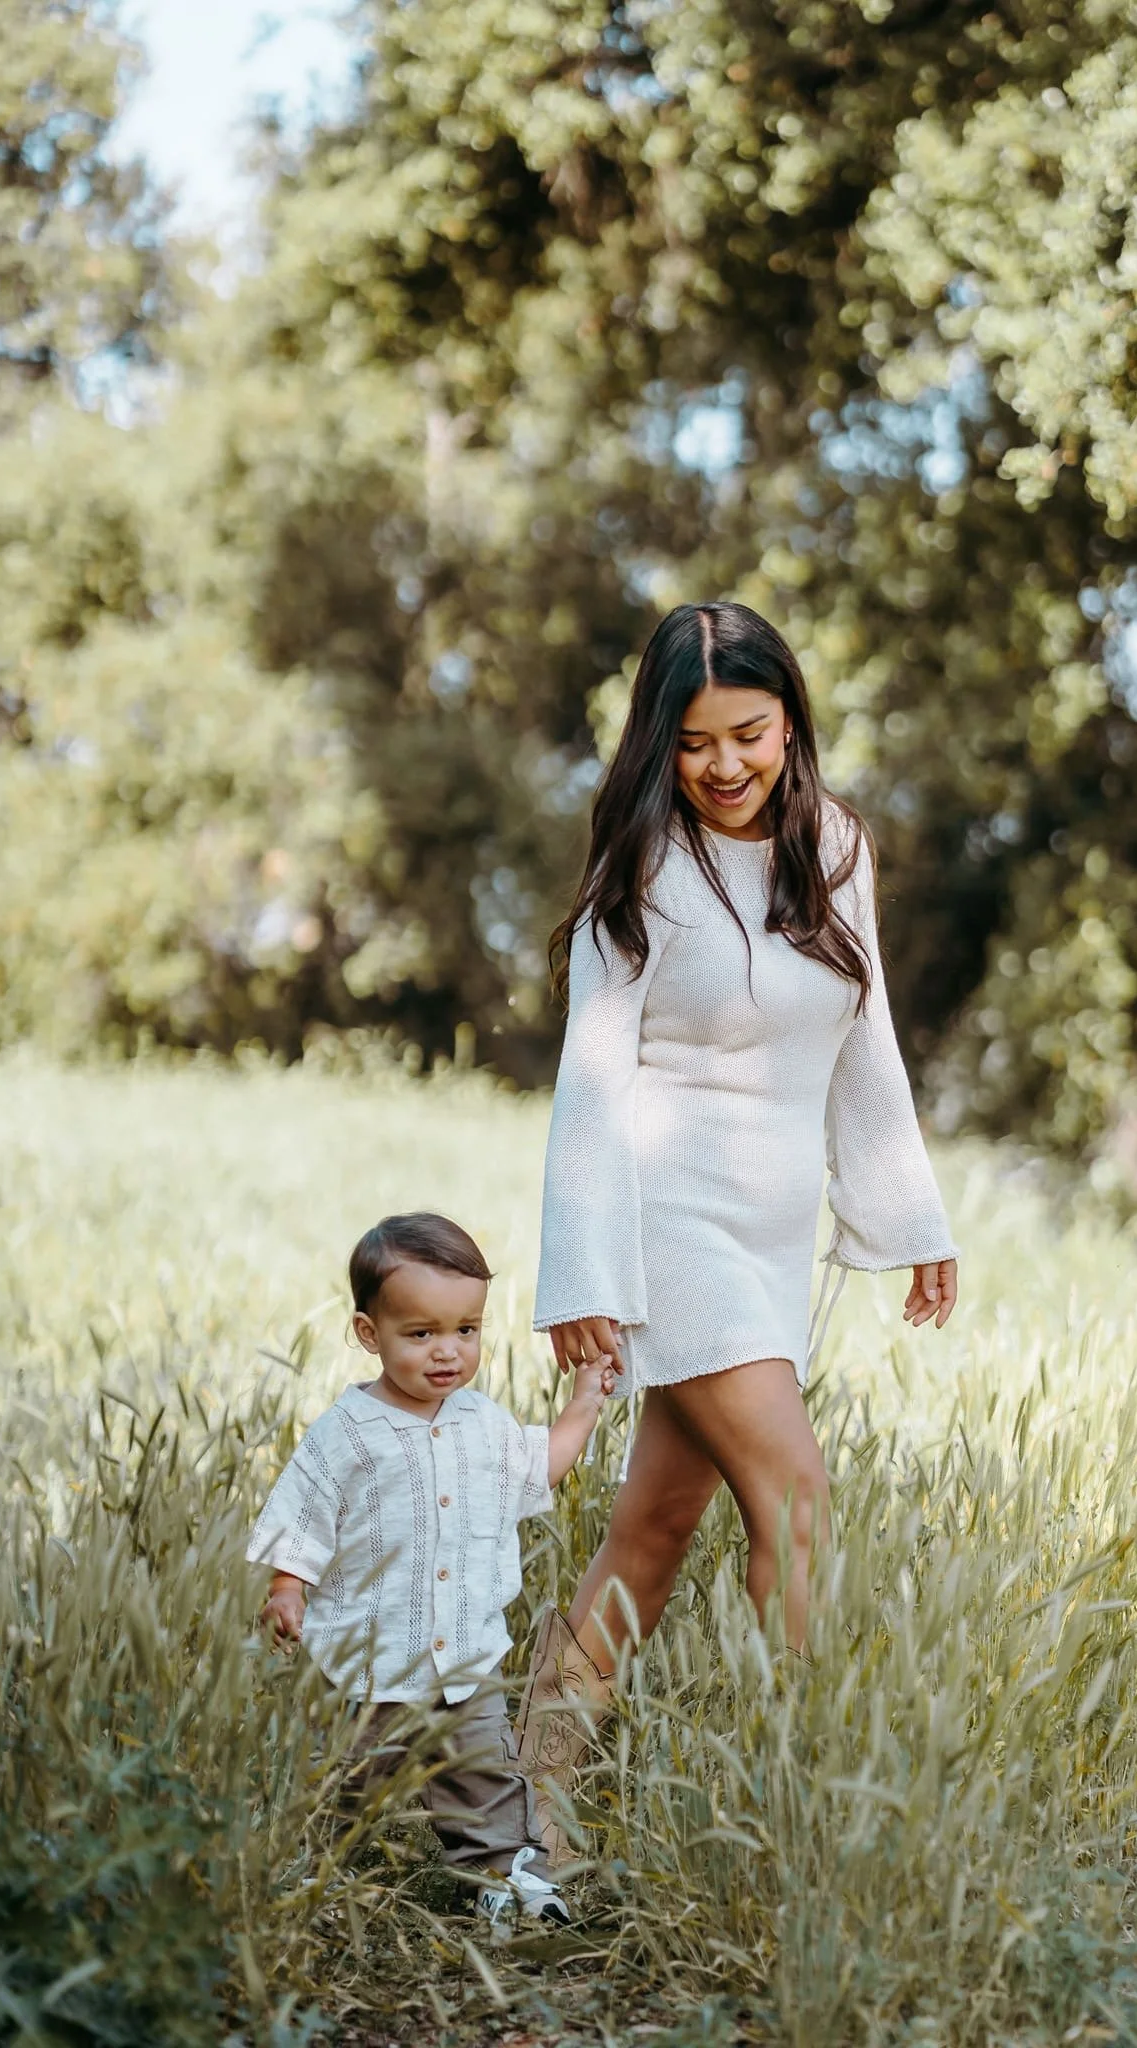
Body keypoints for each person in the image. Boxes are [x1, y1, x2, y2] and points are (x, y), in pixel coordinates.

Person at [516, 600, 958, 1852]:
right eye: (695, 740)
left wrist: (911, 1211)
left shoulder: (835, 846)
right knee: (795, 1498)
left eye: (749, 733)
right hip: (670, 1220)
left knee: (652, 1529)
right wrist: (580, 1273)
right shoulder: (642, 866)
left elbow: (864, 1034)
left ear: (790, 722)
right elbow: (591, 1079)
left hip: (770, 1236)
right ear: (659, 739)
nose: (723, 765)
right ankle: (791, 1819)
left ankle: (525, 1819)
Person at [248, 1211, 615, 1929]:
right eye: (420, 1334)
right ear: (369, 1334)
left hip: (466, 1667)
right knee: (343, 1784)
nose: (447, 1351)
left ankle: (508, 1879)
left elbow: (539, 1468)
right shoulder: (346, 1434)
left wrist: (584, 1403)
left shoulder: (484, 1422)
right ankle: (305, 1873)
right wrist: (287, 1587)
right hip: (368, 1671)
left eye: (466, 1330)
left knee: (489, 1782)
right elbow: (302, 1515)